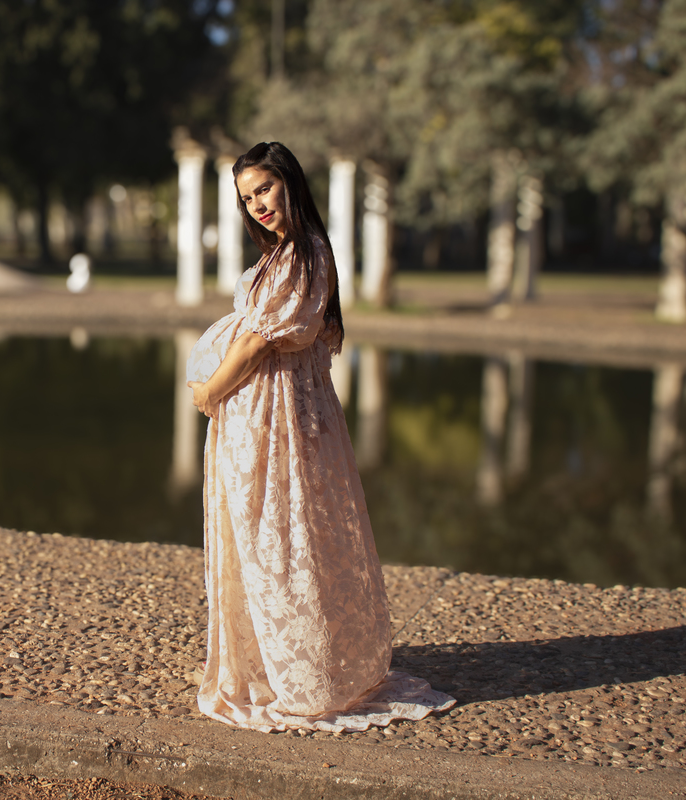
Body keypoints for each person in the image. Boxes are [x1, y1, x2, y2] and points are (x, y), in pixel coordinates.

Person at [185, 142, 454, 733]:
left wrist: (210, 394)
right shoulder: (288, 253)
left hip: (281, 423)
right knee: (277, 541)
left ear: (290, 184)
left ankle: (307, 676)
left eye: (264, 189)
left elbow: (257, 343)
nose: (256, 204)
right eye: (246, 196)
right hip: (271, 419)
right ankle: (287, 662)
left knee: (284, 541)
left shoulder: (304, 252)